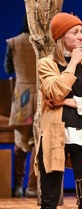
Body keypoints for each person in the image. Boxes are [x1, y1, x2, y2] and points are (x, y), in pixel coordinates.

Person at [36, 12, 82, 208]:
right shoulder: (46, 64)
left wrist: (70, 102)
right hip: (54, 134)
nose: (80, 36)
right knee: (49, 198)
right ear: (61, 37)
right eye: (75, 32)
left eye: (81, 32)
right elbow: (55, 91)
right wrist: (73, 63)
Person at [3, 15, 37, 198]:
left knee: (20, 143)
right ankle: (32, 187)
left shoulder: (13, 43)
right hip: (40, 97)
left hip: (22, 97)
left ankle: (17, 186)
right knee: (37, 144)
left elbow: (8, 69)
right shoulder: (42, 43)